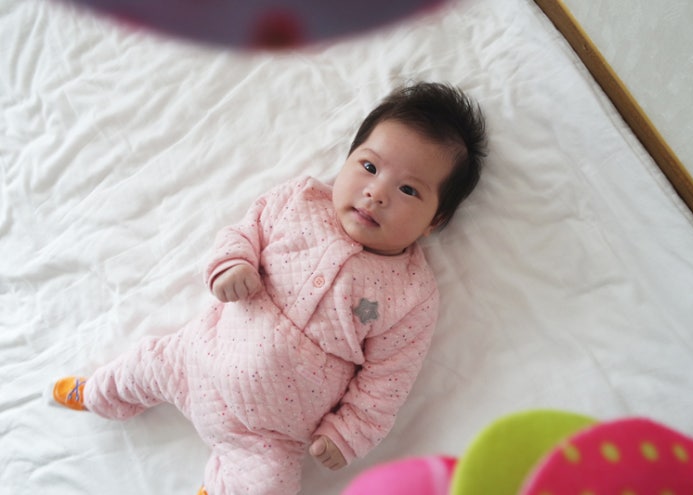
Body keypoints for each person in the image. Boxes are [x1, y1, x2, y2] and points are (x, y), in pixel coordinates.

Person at [51, 82, 487, 495]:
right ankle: (96, 394)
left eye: (408, 189)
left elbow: (387, 380)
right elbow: (243, 232)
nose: (376, 193)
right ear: (347, 159)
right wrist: (232, 265)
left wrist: (348, 433)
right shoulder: (300, 201)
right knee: (142, 364)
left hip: (268, 435)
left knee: (271, 484)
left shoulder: (411, 294)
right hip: (194, 357)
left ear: (435, 221)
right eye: (369, 167)